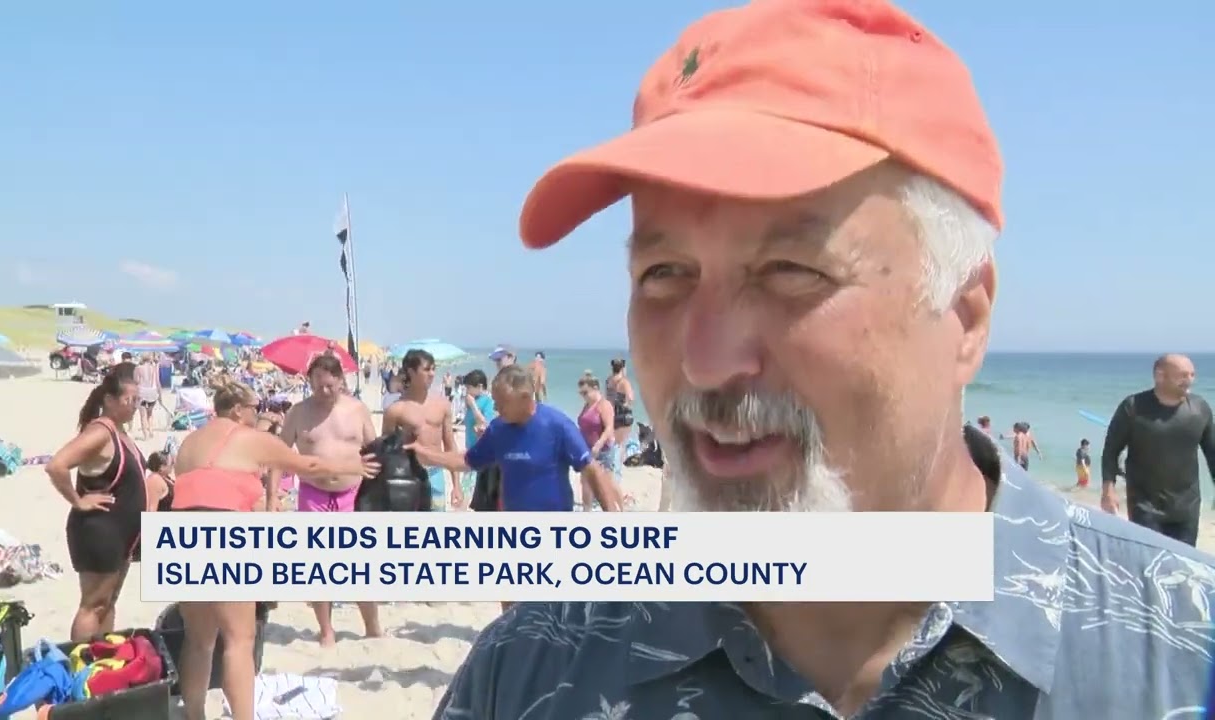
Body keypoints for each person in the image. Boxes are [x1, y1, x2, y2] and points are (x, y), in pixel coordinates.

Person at [434, 2, 1215, 717]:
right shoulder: (529, 675)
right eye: (663, 275)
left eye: (791, 271)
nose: (706, 362)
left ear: (966, 315)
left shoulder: (1180, 655)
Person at [172, 382, 379, 720]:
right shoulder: (246, 437)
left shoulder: (191, 442)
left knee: (199, 638)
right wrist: (352, 468)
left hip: (182, 531)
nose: (260, 412)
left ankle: (193, 713)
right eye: (256, 407)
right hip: (221, 531)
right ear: (237, 409)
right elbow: (308, 467)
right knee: (240, 639)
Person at [410, 364, 621, 612]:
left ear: (524, 397)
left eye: (501, 402)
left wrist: (613, 519)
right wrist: (428, 456)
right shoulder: (499, 429)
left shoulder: (557, 425)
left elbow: (591, 469)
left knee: (552, 602)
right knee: (510, 598)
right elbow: (468, 461)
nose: (496, 408)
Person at [279, 353, 382, 644]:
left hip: (353, 494)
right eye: (318, 386)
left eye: (329, 386)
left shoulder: (358, 410)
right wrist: (272, 494)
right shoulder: (298, 413)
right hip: (313, 494)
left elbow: (374, 451)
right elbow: (279, 453)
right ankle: (326, 630)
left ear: (340, 380)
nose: (324, 392)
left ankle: (372, 627)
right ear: (309, 382)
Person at [44, 365, 146, 641]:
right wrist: (78, 501)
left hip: (121, 534)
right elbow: (57, 466)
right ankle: (80, 664)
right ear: (109, 400)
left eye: (137, 400)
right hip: (99, 531)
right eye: (129, 400)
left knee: (108, 602)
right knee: (93, 604)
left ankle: (101, 660)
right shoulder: (101, 432)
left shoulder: (118, 431)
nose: (135, 406)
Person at [1101, 354, 1215, 546]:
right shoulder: (1133, 407)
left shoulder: (1200, 408)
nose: (1189, 381)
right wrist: (1108, 490)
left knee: (1182, 566)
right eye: (1183, 375)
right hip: (1145, 506)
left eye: (1192, 375)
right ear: (1160, 376)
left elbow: (1212, 452)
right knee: (1149, 562)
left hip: (1187, 507)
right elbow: (1111, 450)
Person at [382, 349, 461, 509]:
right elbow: (385, 450)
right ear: (411, 371)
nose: (432, 374)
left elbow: (450, 445)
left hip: (436, 474)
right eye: (426, 369)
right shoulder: (396, 410)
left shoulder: (442, 405)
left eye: (433, 369)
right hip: (407, 475)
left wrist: (456, 485)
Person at [575, 376, 617, 510]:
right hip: (587, 450)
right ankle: (587, 511)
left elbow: (609, 427)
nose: (583, 396)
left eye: (585, 393)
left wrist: (598, 444)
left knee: (607, 485)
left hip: (603, 450)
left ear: (595, 389)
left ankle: (618, 510)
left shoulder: (604, 405)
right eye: (580, 393)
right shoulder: (587, 405)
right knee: (585, 482)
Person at [461, 369, 495, 500]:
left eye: (469, 387)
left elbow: (486, 422)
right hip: (469, 448)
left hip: (480, 450)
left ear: (480, 387)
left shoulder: (487, 401)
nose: (467, 390)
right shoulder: (471, 400)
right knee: (466, 485)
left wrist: (473, 405)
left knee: (474, 489)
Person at [133, 354, 161, 440]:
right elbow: (157, 381)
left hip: (142, 392)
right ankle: (151, 430)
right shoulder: (154, 368)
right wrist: (160, 393)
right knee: (150, 413)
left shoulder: (138, 368)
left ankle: (146, 435)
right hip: (152, 391)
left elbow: (136, 381)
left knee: (143, 415)